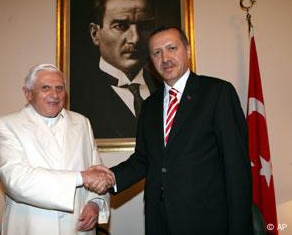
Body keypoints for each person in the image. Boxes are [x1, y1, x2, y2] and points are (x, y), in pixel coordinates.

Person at [89, 26, 253, 234]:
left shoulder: (217, 93)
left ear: (188, 50)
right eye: (157, 53)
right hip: (159, 221)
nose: (165, 58)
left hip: (208, 222)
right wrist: (111, 177)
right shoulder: (149, 106)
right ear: (151, 61)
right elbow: (143, 159)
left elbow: (236, 167)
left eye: (172, 48)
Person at [0, 64, 115, 235]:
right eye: (45, 88)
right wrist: (81, 177)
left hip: (79, 229)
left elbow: (96, 171)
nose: (54, 95)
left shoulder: (82, 123)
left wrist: (96, 203)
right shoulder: (6, 126)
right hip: (31, 228)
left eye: (59, 88)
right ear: (28, 93)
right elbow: (16, 180)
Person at [72, 0, 160, 138]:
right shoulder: (77, 97)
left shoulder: (166, 90)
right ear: (95, 33)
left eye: (144, 26)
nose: (135, 39)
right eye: (120, 26)